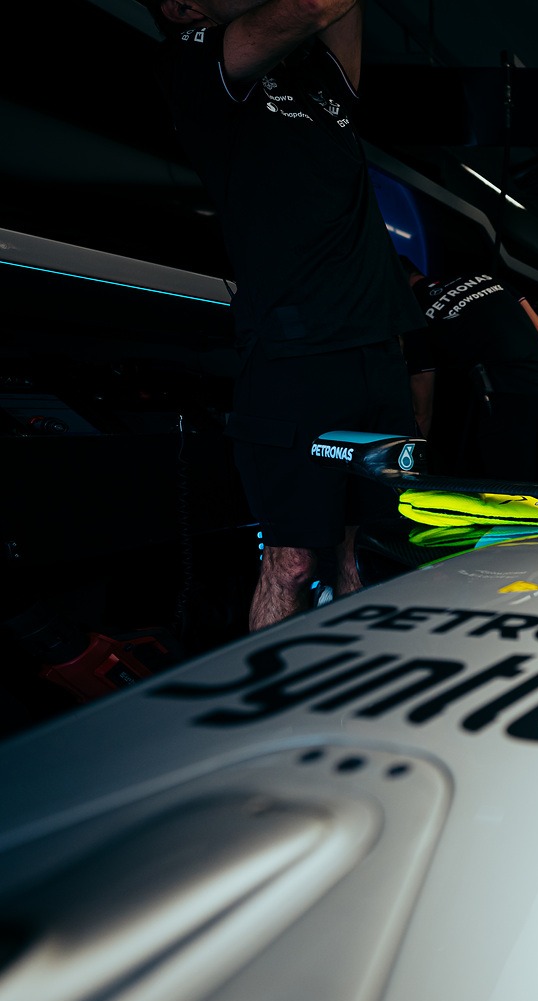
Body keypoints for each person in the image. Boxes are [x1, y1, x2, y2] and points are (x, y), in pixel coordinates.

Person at [141, 0, 424, 632]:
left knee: (366, 550)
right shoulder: (191, 62)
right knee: (292, 562)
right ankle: (265, 684)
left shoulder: (313, 73)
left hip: (376, 347)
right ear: (183, 8)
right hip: (297, 353)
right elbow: (316, 4)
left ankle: (353, 678)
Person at [402, 261, 538, 484]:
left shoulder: (415, 310)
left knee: (510, 493)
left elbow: (422, 403)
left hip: (507, 396)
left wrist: (411, 467)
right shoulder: (485, 278)